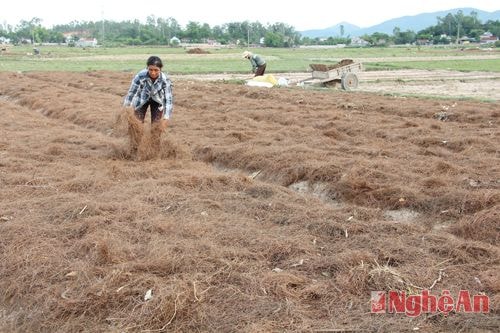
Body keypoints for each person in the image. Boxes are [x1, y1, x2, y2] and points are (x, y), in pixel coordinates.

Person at [124, 55, 173, 131]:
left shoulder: (165, 80)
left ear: (160, 69)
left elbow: (168, 100)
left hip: (157, 100)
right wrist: (126, 108)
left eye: (156, 70)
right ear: (147, 68)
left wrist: (166, 118)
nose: (153, 73)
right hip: (142, 98)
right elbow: (131, 92)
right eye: (151, 70)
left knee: (156, 127)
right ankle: (135, 142)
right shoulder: (140, 76)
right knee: (136, 124)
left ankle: (154, 142)